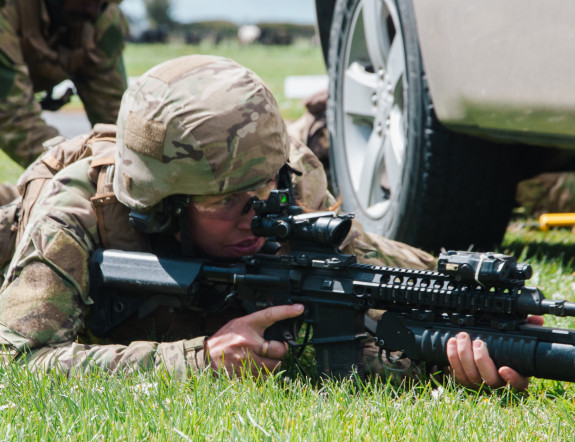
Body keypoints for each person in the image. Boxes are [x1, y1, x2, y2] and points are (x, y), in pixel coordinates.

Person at [0, 55, 536, 390]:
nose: (261, 218)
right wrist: (196, 360)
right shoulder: (76, 209)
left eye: (268, 193)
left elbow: (368, 267)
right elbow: (21, 361)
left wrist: (476, 321)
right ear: (166, 205)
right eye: (229, 203)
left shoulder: (290, 177)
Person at [0, 0, 128, 168]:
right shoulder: (6, 10)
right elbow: (14, 118)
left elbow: (116, 118)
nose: (92, 10)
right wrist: (76, 172)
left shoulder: (102, 19)